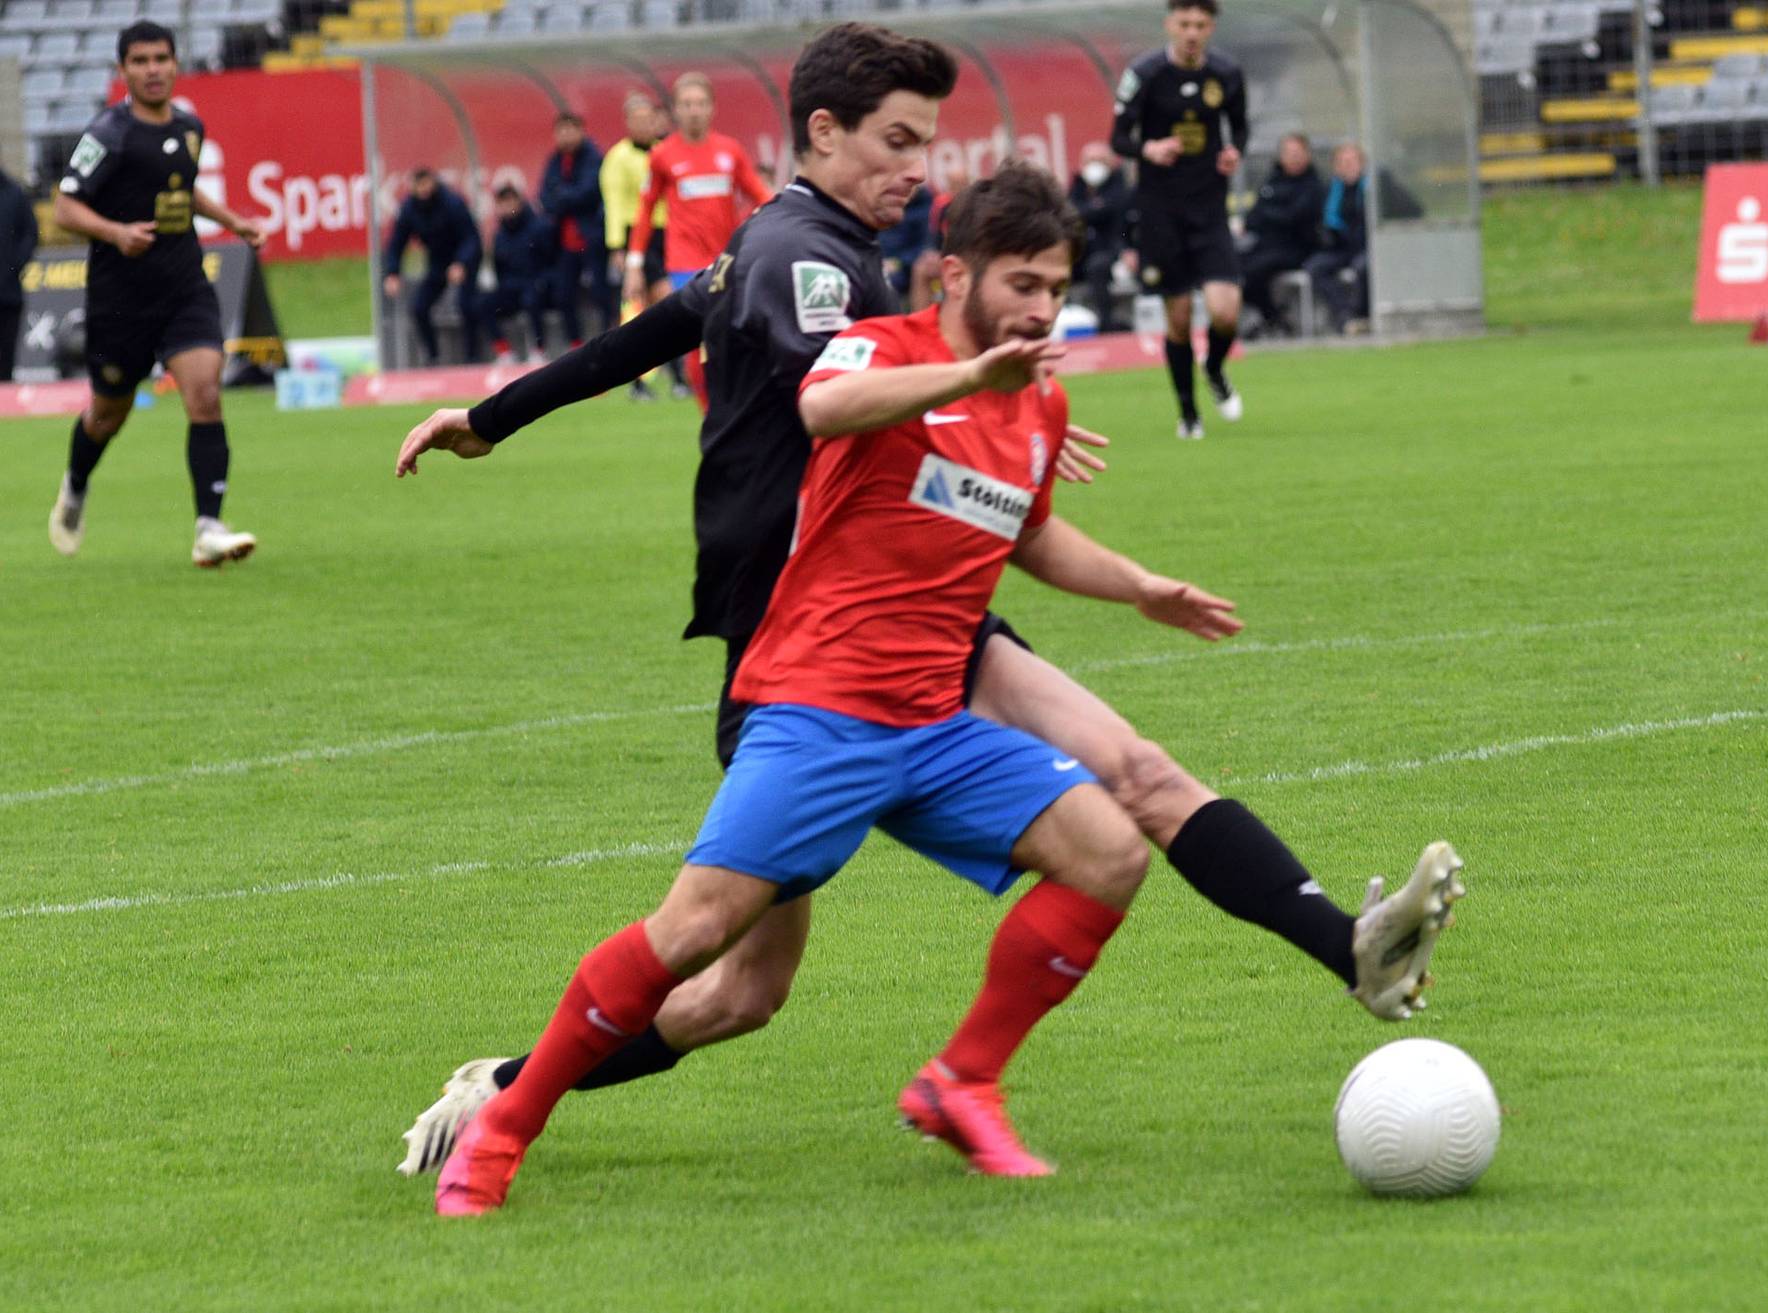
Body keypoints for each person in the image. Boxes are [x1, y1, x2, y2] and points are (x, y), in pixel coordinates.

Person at [391, 21, 1463, 1181]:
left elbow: (657, 327)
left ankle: (1339, 950)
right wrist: (972, 395)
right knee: (736, 984)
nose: (918, 166)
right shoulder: (812, 260)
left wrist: (491, 417)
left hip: (909, 604)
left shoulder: (785, 236)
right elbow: (830, 396)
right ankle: (506, 1090)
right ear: (824, 132)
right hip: (808, 629)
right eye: (897, 141)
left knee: (1128, 785)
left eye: (928, 141)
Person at [44, 21, 264, 567]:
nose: (153, 69)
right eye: (140, 61)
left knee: (205, 393)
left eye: (161, 58)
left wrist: (234, 221)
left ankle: (208, 527)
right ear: (123, 72)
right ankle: (75, 484)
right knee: (106, 416)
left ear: (175, 63)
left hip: (183, 286)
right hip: (121, 301)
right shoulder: (107, 135)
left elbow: (181, 188)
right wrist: (117, 233)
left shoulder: (190, 126)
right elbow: (66, 206)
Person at [1112, 0, 1248, 440]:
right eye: (1185, 23)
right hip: (1161, 211)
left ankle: (1214, 369)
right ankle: (1188, 413)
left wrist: (1233, 152)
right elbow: (1118, 136)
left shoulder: (1226, 74)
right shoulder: (1145, 74)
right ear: (1170, 24)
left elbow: (1240, 127)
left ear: (1212, 28)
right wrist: (1147, 149)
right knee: (1179, 317)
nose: (1192, 32)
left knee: (1226, 311)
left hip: (1209, 208)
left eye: (1201, 25)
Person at [624, 70, 774, 408]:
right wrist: (634, 264)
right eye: (687, 104)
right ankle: (709, 412)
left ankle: (732, 403)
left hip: (726, 259)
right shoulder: (663, 156)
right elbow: (645, 211)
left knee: (733, 335)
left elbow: (760, 195)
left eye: (700, 103)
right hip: (683, 263)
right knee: (696, 338)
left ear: (712, 108)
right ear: (675, 110)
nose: (694, 110)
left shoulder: (730, 152)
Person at [600, 93, 682, 401]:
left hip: (667, 236)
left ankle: (659, 381)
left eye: (650, 118)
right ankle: (662, 379)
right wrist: (618, 247)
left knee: (654, 311)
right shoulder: (617, 158)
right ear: (628, 121)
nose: (645, 124)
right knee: (662, 305)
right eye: (639, 119)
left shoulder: (663, 152)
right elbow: (615, 203)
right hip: (636, 238)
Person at [383, 168, 483, 365]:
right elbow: (397, 242)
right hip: (438, 261)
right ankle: (433, 357)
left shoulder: (452, 203)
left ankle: (473, 357)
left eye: (426, 184)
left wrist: (461, 263)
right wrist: (392, 272)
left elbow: (471, 238)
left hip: (464, 259)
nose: (423, 190)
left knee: (467, 304)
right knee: (419, 307)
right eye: (418, 186)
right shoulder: (410, 208)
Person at [538, 111, 611, 350]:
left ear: (581, 131)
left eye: (571, 130)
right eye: (562, 131)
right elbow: (545, 195)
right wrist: (564, 197)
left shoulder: (592, 157)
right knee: (563, 295)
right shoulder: (554, 160)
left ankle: (610, 341)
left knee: (600, 293)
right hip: (564, 241)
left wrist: (563, 195)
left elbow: (588, 192)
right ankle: (576, 344)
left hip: (591, 237)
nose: (566, 136)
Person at [1238, 132, 1324, 338]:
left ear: (1307, 155)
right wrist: (1273, 214)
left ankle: (1274, 319)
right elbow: (1252, 218)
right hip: (1265, 246)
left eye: (1297, 152)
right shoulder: (1272, 181)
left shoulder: (1312, 186)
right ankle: (1274, 318)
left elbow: (1294, 218)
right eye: (1288, 152)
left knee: (1253, 272)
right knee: (1230, 268)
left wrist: (1269, 213)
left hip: (1297, 248)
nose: (1293, 157)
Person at [479, 184, 556, 365]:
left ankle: (538, 350)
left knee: (532, 300)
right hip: (511, 287)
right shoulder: (499, 235)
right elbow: (499, 267)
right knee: (483, 304)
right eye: (501, 204)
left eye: (509, 202)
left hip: (537, 285)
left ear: (519, 202)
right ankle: (505, 352)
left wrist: (544, 281)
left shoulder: (539, 227)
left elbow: (551, 260)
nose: (506, 208)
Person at [1304, 142, 1369, 335]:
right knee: (1315, 267)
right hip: (1342, 248)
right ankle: (1344, 315)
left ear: (1362, 163)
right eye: (1343, 162)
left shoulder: (1375, 188)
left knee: (1363, 266)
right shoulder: (1330, 191)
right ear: (1336, 167)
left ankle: (1362, 314)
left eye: (1352, 161)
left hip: (1368, 247)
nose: (1348, 166)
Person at [1068, 142, 1134, 331]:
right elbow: (1070, 215)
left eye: (1100, 161)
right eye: (1090, 161)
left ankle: (1106, 325)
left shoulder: (1121, 190)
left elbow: (1111, 214)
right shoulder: (1076, 190)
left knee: (1097, 266)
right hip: (1081, 254)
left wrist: (1088, 211)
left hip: (1112, 255)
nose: (1095, 166)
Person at [0, 163, 37, 381]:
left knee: (5, 355)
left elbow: (30, 234)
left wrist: (14, 267)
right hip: (10, 288)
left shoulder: (14, 193)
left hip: (8, 292)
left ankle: (3, 405)